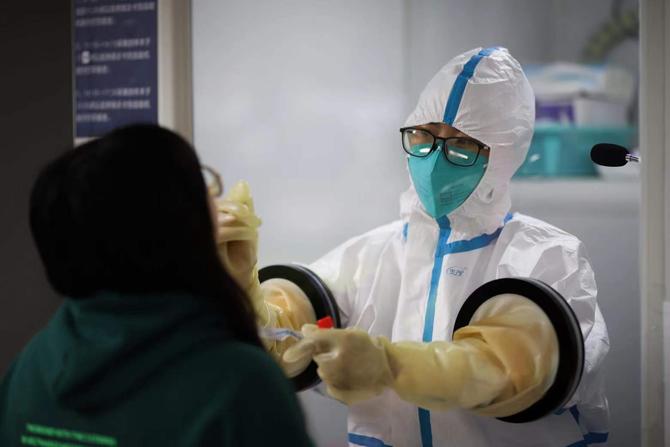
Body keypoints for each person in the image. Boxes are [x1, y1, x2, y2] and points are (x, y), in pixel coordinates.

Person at [219, 47, 609, 447]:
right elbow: (284, 338)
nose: (435, 160)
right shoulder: (372, 254)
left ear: (503, 156)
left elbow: (511, 367)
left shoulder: (547, 257)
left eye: (461, 145)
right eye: (425, 136)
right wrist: (240, 286)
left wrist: (391, 365)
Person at [0, 124, 314, 447]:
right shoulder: (240, 386)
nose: (216, 200)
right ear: (176, 227)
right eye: (202, 185)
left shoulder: (30, 368)